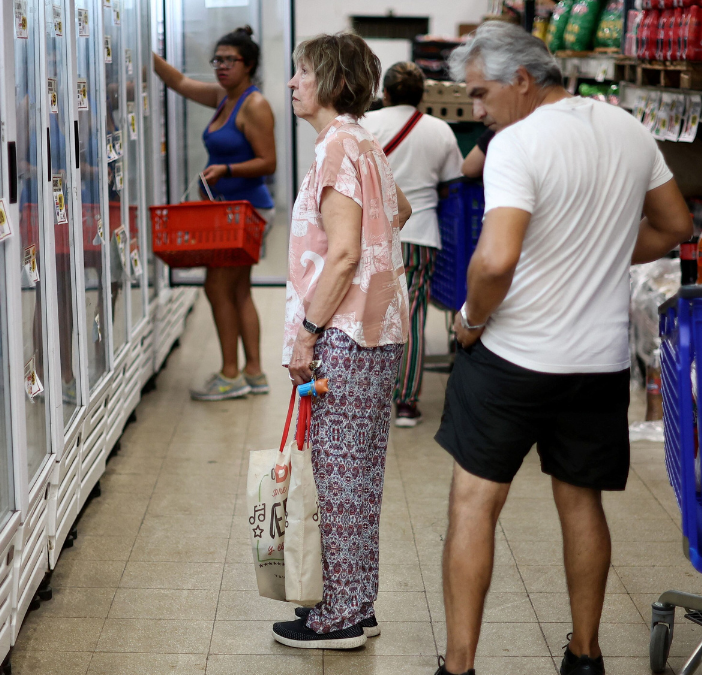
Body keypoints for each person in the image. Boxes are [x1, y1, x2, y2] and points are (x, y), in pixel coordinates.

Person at [433, 23, 693, 675]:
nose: (477, 110)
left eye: (481, 94)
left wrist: (469, 318)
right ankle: (585, 656)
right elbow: (675, 225)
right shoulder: (628, 129)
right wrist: (603, 255)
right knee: (581, 502)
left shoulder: (516, 144)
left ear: (521, 80)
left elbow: (496, 260)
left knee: (474, 502)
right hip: (598, 362)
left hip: (512, 356)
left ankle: (459, 667)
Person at [274, 32, 413, 650]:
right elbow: (400, 209)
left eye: (302, 72)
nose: (292, 82)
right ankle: (358, 601)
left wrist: (309, 333)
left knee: (338, 476)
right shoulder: (363, 140)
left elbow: (345, 253)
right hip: (378, 328)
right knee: (357, 473)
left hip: (346, 335)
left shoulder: (336, 148)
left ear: (331, 82)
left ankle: (341, 617)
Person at [152, 27, 276, 400]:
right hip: (229, 212)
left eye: (229, 60)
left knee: (217, 286)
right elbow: (179, 82)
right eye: (217, 60)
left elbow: (268, 162)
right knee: (238, 289)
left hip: (247, 211)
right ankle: (253, 372)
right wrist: (145, 51)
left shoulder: (254, 104)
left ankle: (230, 375)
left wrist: (227, 169)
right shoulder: (224, 98)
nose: (221, 66)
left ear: (248, 64)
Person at [361, 62, 463, 427]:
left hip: (371, 235)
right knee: (412, 318)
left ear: (385, 93)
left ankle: (368, 398)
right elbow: (453, 181)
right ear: (422, 96)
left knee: (369, 316)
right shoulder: (440, 129)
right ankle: (406, 403)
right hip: (420, 235)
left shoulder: (366, 124)